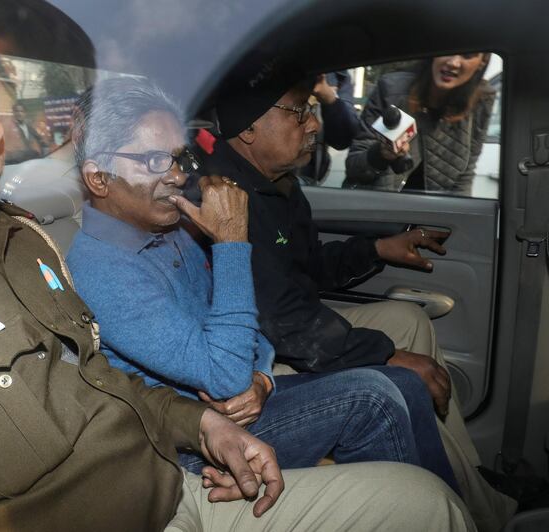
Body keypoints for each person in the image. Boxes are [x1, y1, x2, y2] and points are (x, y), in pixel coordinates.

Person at [0, 11, 474, 532]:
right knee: (386, 404)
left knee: (425, 503)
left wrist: (202, 427)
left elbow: (99, 378)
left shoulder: (18, 241)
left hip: (172, 476)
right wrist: (226, 371)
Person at [66, 76, 459, 493]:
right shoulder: (103, 270)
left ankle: (454, 506)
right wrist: (232, 242)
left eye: (180, 159)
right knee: (374, 398)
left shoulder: (169, 233)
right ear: (100, 179)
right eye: (158, 162)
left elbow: (249, 326)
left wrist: (263, 378)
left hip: (237, 402)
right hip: (191, 446)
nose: (180, 177)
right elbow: (225, 377)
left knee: (404, 385)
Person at [198, 64, 515, 532]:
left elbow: (308, 268)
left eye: (310, 110)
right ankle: (468, 510)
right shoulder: (224, 196)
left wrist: (378, 249)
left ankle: (474, 489)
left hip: (291, 324)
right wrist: (385, 355)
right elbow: (279, 318)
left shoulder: (279, 182)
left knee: (410, 319)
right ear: (248, 129)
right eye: (297, 113)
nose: (313, 124)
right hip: (258, 352)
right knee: (399, 370)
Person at [344, 54, 495, 194]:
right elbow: (354, 167)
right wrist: (380, 154)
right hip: (378, 212)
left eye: (467, 55)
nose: (453, 63)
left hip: (431, 217)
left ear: (482, 62)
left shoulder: (481, 100)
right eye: (448, 50)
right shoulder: (391, 89)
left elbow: (464, 177)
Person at [298, 70, 361, 184]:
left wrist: (330, 99)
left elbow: (342, 140)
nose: (314, 126)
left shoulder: (339, 76)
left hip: (308, 173)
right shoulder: (269, 65)